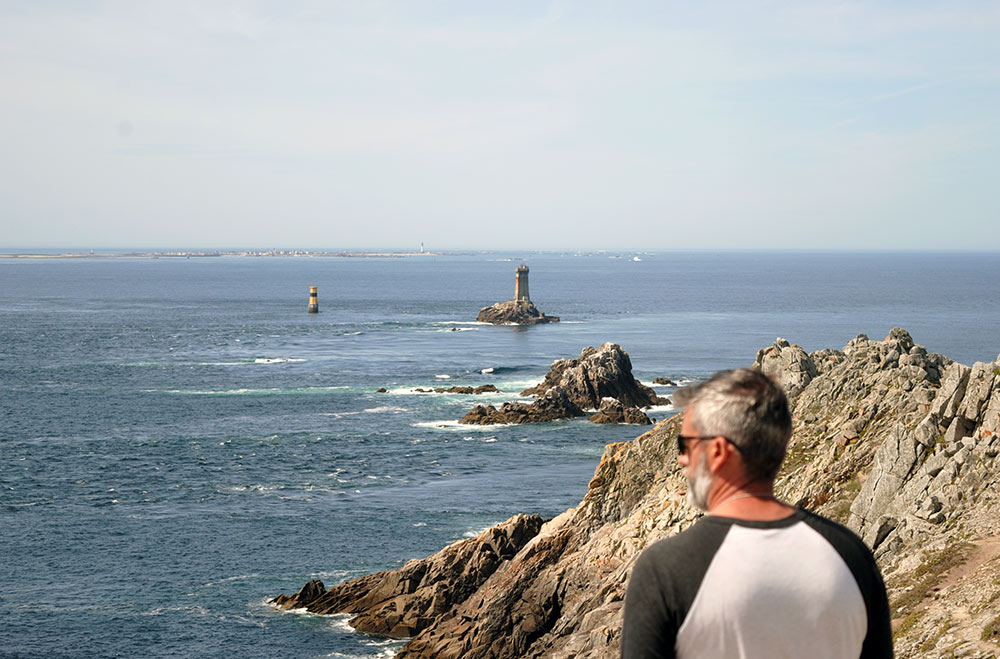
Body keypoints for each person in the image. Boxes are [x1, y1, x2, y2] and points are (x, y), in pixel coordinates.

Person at [621, 368, 893, 659]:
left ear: (717, 452)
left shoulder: (666, 570)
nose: (681, 458)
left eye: (685, 444)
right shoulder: (850, 556)